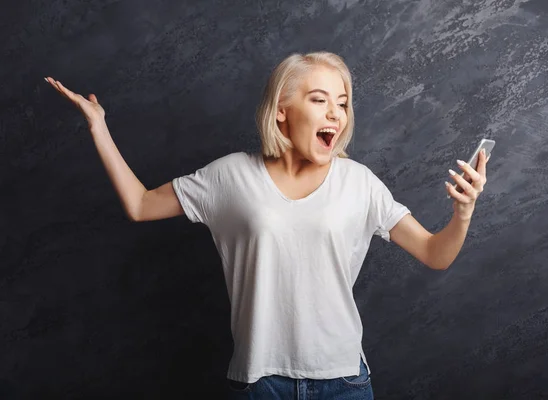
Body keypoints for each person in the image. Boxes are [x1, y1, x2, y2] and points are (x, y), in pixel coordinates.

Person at [45, 51, 489, 399]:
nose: (336, 113)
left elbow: (435, 254)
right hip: (260, 385)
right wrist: (98, 126)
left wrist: (462, 213)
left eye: (343, 103)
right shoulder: (230, 176)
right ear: (282, 110)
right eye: (319, 100)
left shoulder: (360, 183)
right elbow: (140, 205)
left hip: (344, 384)